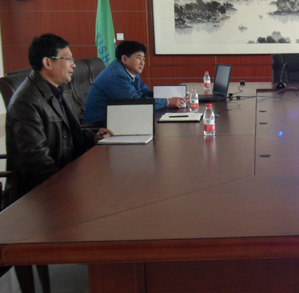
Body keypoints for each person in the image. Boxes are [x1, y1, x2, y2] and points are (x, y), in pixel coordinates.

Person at [6, 33, 112, 199]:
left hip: (66, 176)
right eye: (68, 59)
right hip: (39, 195)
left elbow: (69, 134)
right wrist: (68, 186)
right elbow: (37, 160)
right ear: (48, 63)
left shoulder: (58, 90)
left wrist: (93, 137)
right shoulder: (26, 101)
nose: (73, 65)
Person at [82, 40, 185, 126]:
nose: (142, 63)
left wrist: (174, 97)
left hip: (121, 120)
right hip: (100, 128)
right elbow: (136, 103)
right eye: (138, 58)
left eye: (144, 59)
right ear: (124, 59)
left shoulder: (130, 71)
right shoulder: (116, 75)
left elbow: (145, 92)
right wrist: (167, 102)